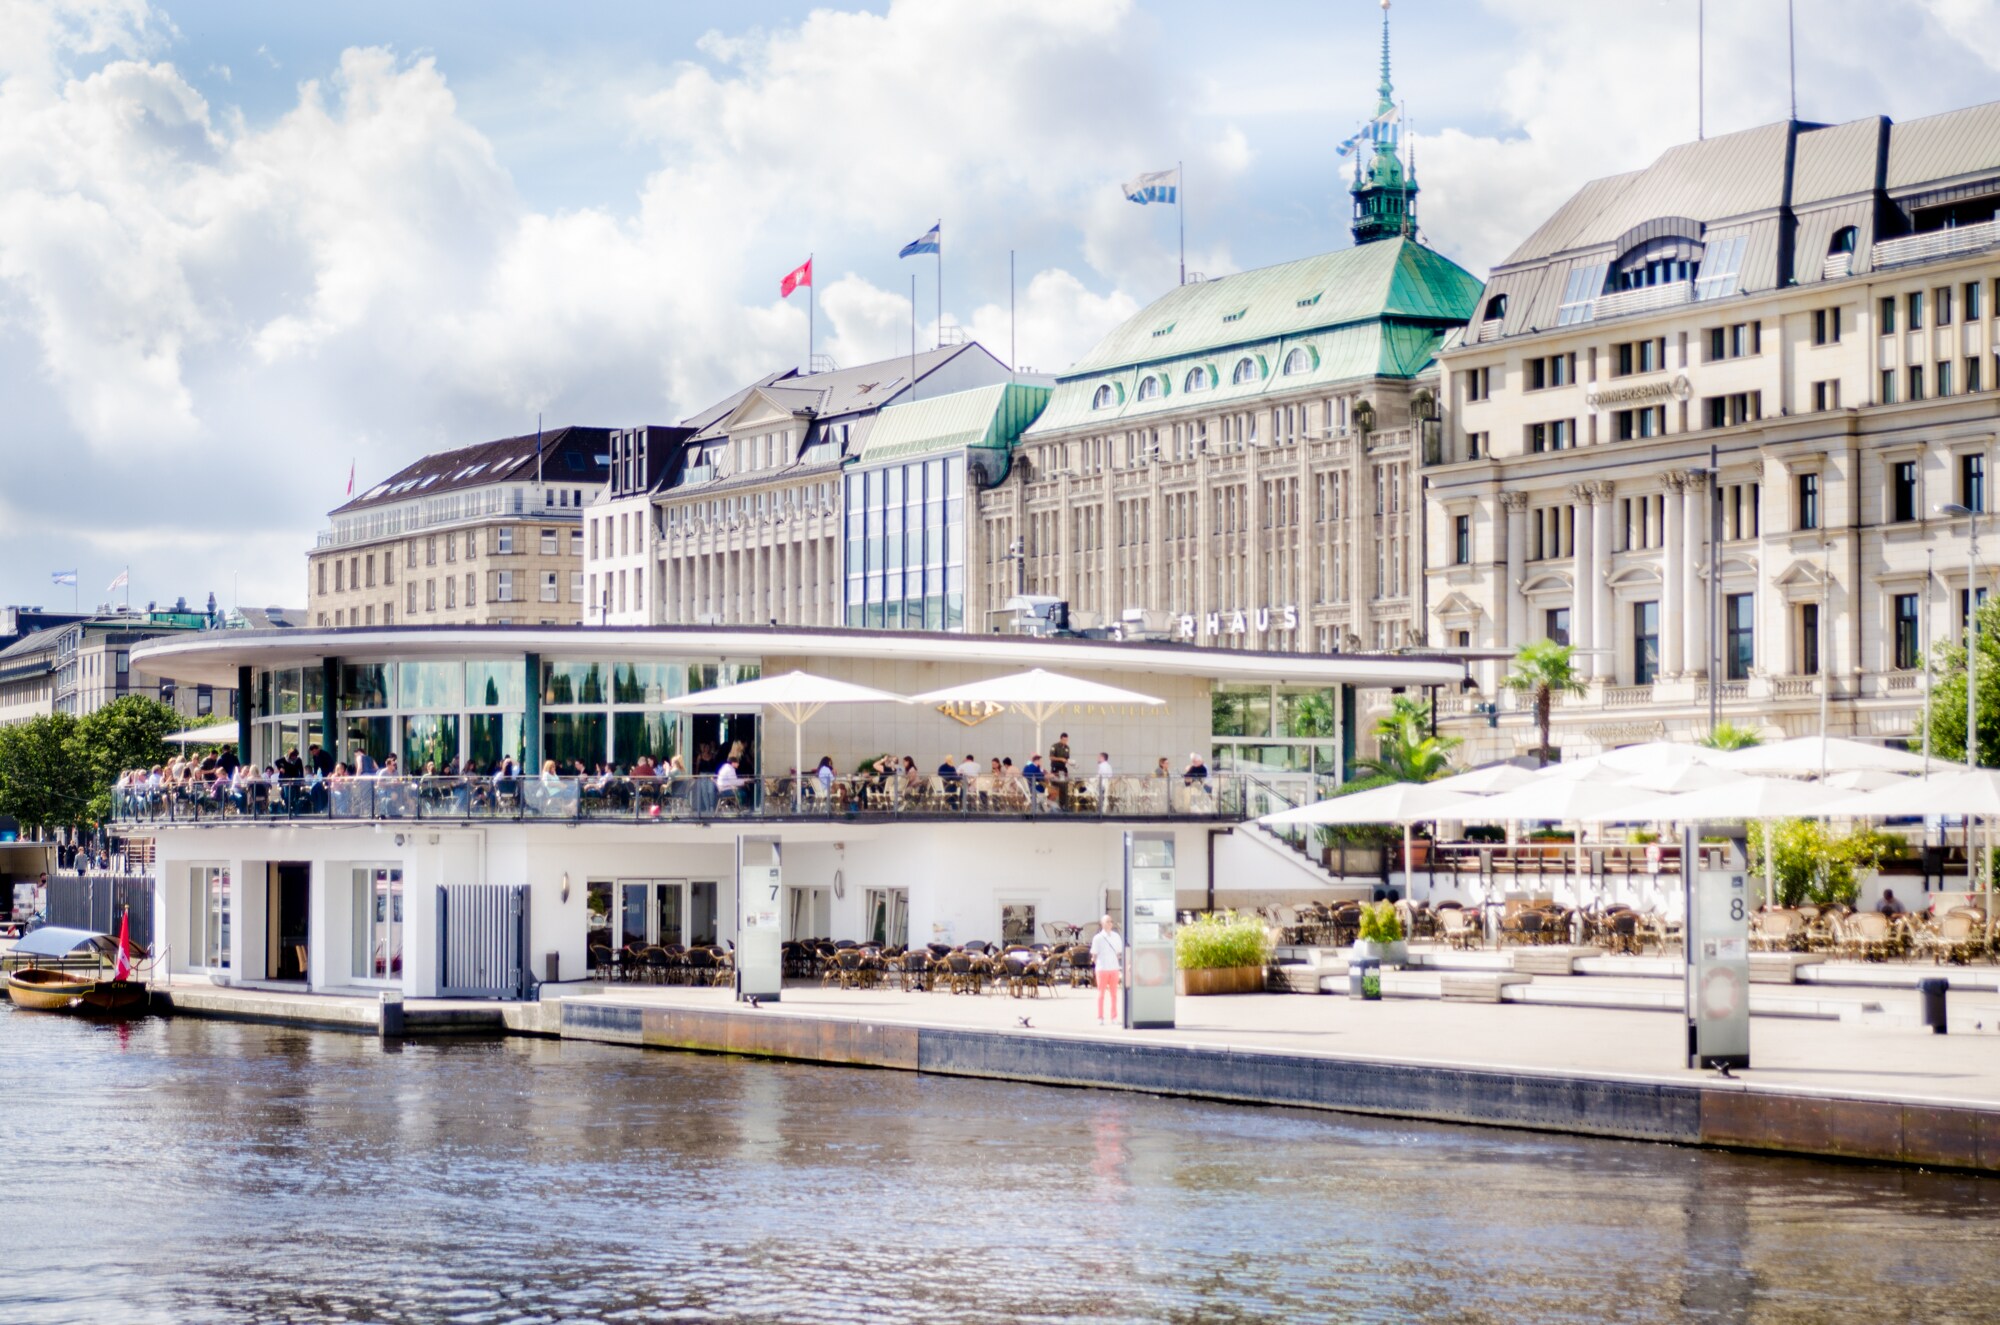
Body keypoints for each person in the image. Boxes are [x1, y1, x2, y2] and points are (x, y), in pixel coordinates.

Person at [1090, 914, 1125, 1025]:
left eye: (1111, 921)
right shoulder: (1098, 938)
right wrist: (1098, 965)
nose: (1110, 923)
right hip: (1102, 968)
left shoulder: (1116, 936)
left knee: (1114, 994)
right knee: (1101, 994)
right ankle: (1100, 1017)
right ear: (1102, 924)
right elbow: (1094, 954)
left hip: (1114, 968)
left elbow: (1119, 952)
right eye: (1107, 921)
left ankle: (1113, 1017)